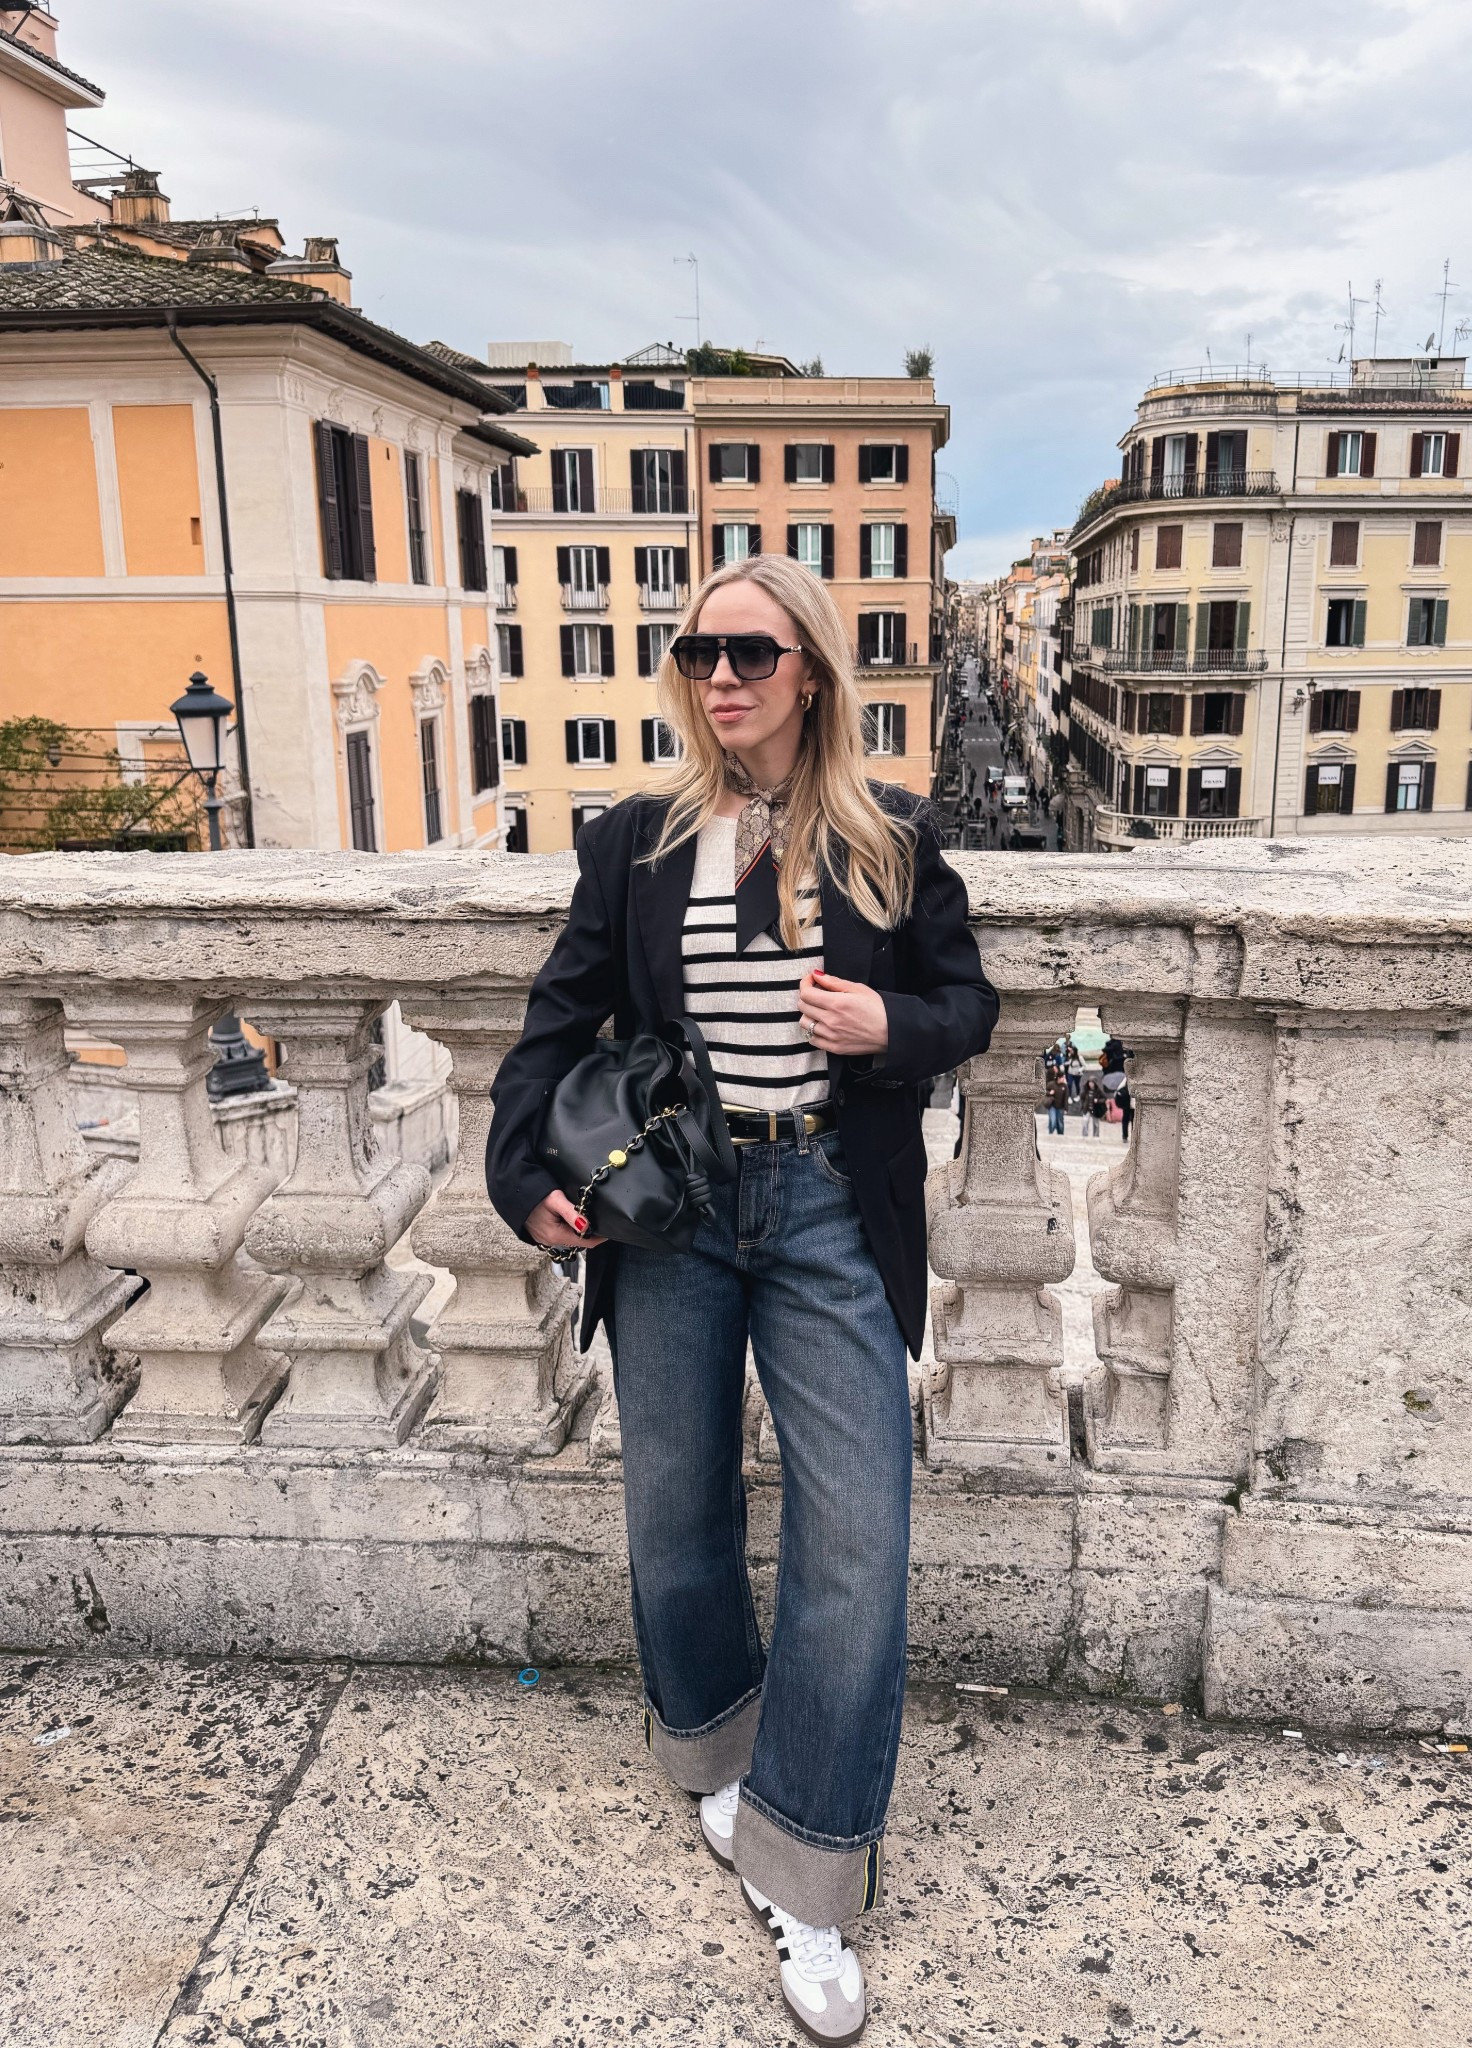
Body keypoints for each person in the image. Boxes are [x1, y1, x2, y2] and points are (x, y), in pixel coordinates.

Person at [485, 553, 998, 2045]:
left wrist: (887, 1020)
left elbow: (967, 1007)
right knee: (675, 1510)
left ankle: (812, 1875)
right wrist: (524, 1178)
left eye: (753, 654)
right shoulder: (639, 840)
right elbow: (559, 1019)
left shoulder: (889, 837)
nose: (722, 676)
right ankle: (711, 1746)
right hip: (676, 1215)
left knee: (861, 1534)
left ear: (811, 673)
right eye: (700, 650)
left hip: (831, 1204)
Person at [1046, 1068, 1068, 1136]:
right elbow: (1044, 1092)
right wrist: (1050, 1093)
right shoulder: (1051, 1084)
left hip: (1060, 1107)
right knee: (1052, 1121)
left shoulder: (1065, 1086)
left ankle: (1060, 1134)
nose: (1064, 1079)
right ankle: (1050, 1134)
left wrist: (1066, 1109)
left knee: (1060, 1122)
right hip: (1052, 1106)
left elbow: (1066, 1098)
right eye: (1063, 1078)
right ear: (1058, 1078)